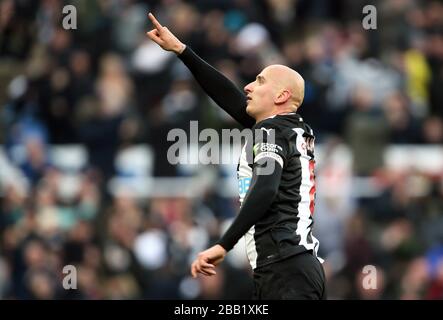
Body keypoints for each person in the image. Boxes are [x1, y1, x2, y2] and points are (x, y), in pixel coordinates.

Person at [147, 13, 326, 300]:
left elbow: (266, 187)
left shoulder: (272, 130)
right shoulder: (288, 129)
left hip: (286, 268)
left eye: (260, 81)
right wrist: (182, 50)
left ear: (280, 96)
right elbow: (229, 96)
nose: (248, 87)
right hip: (287, 268)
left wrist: (224, 244)